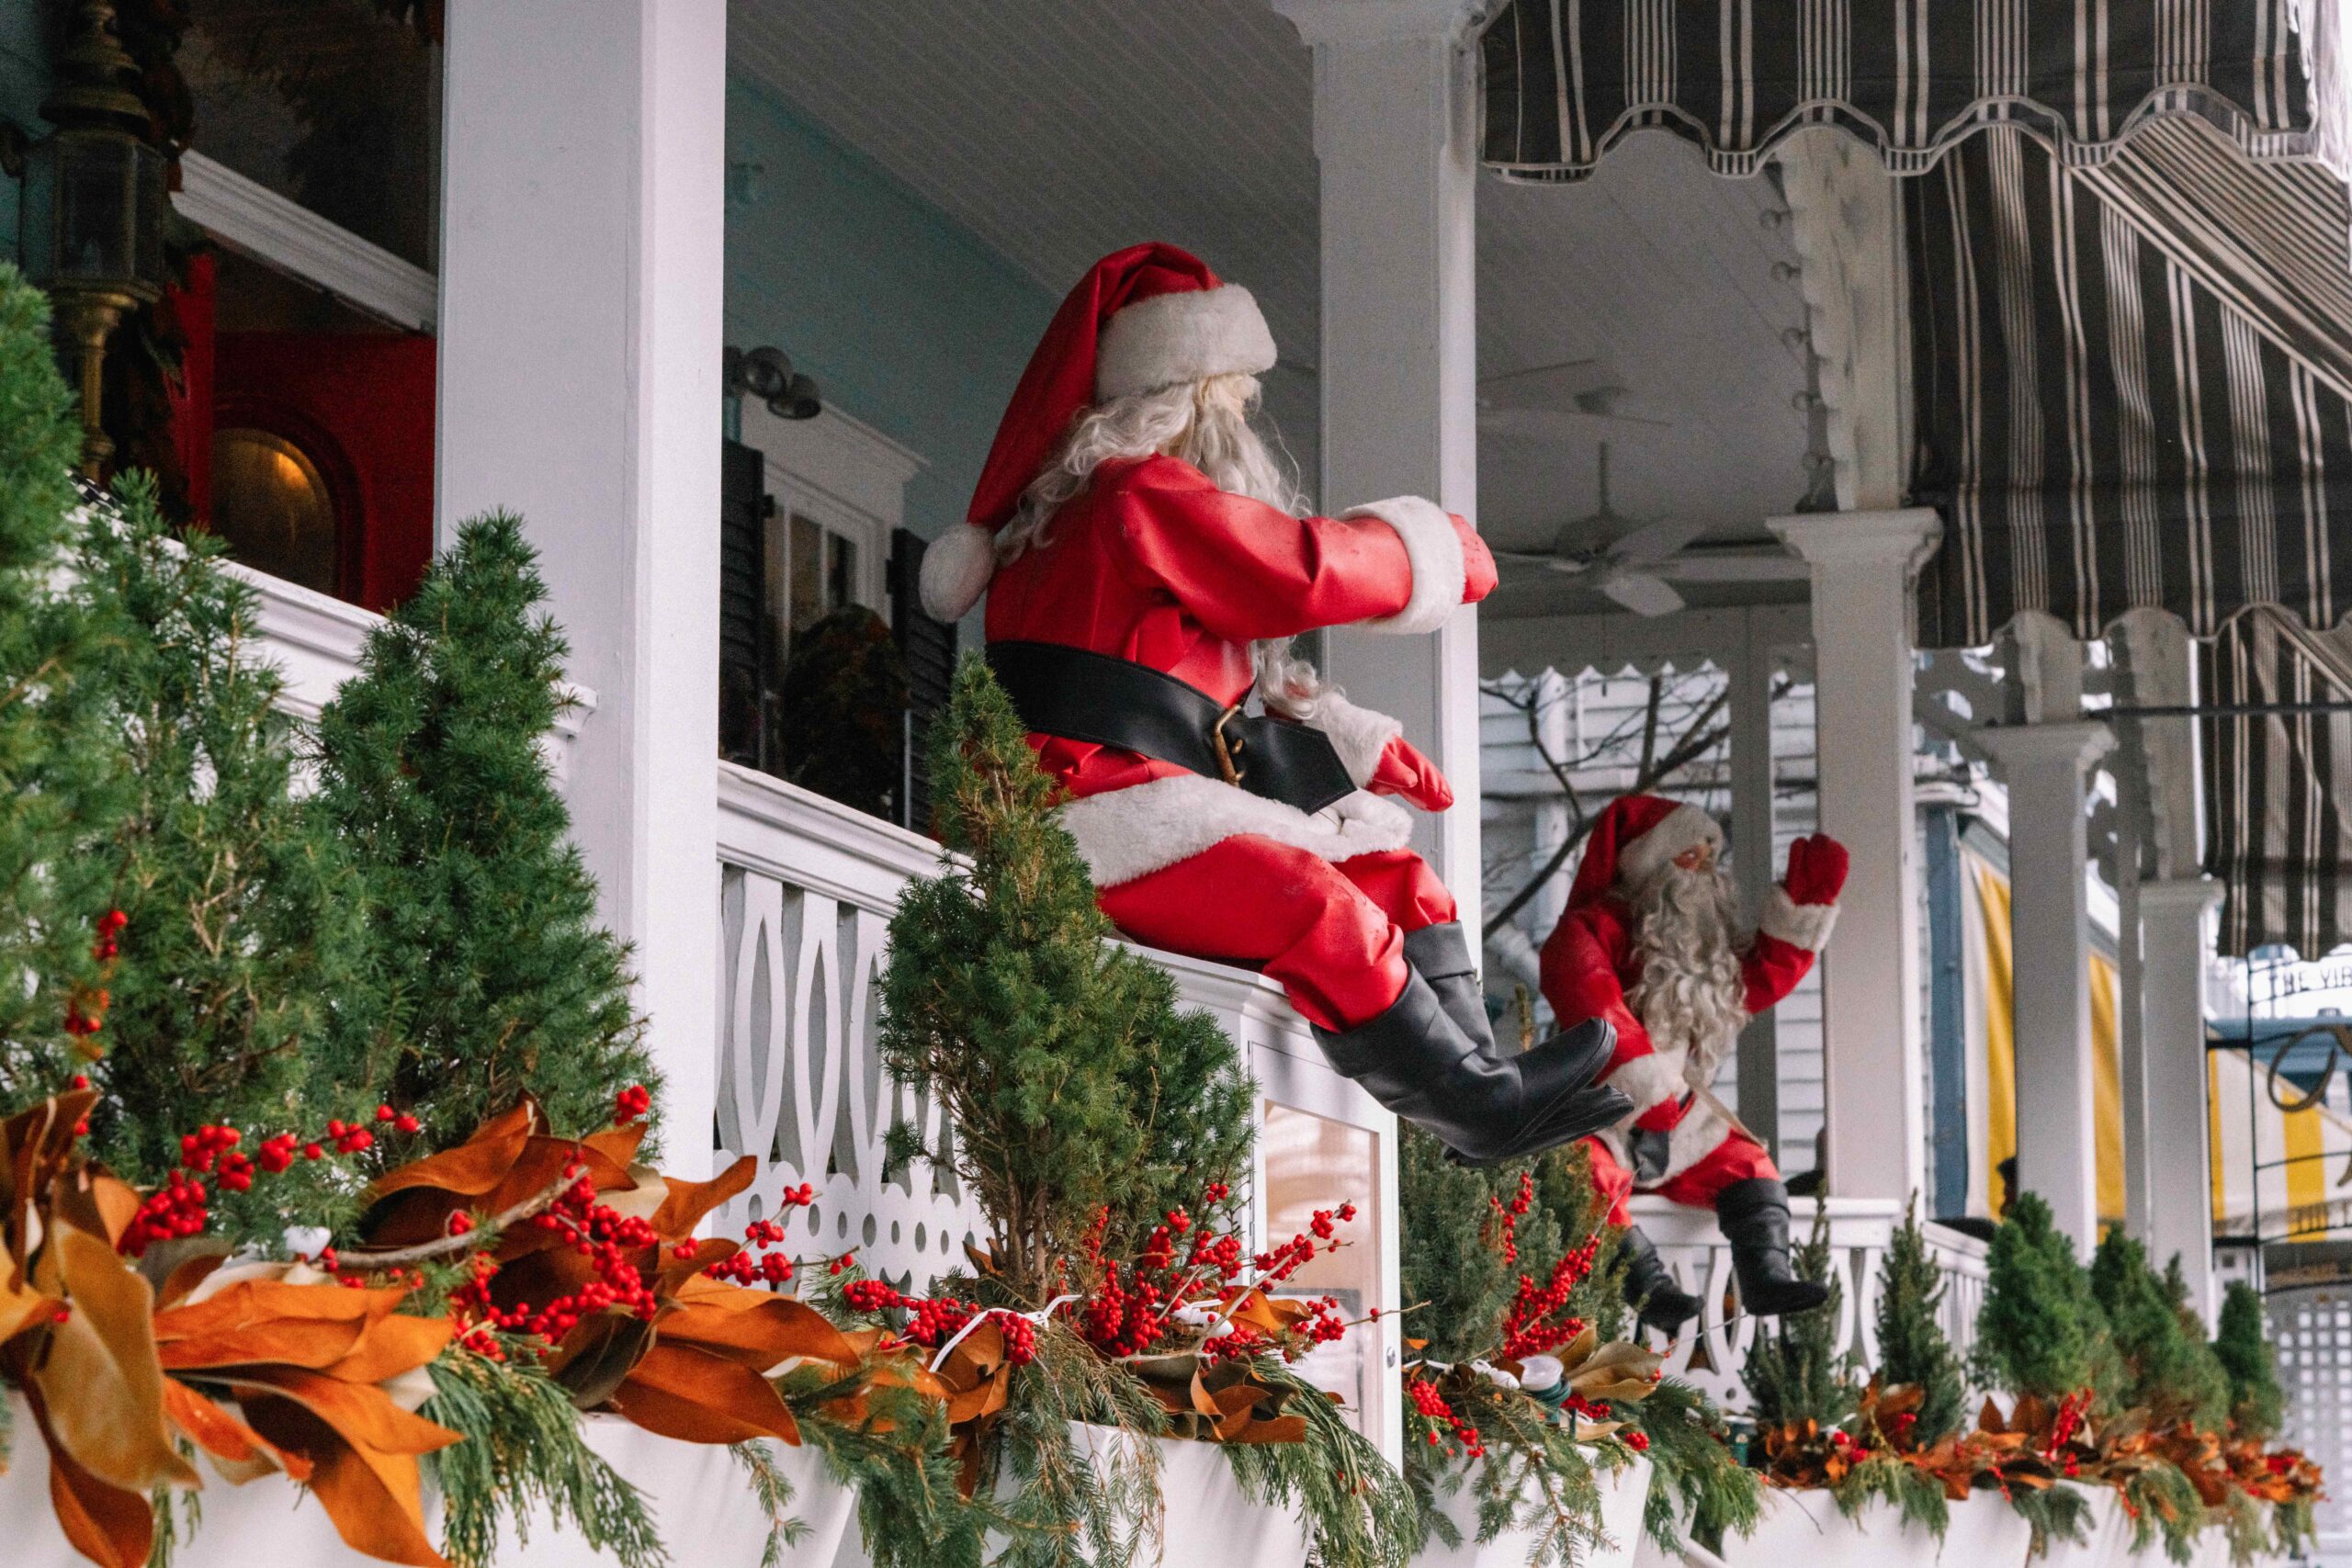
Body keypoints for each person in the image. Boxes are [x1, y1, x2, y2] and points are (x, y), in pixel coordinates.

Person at [922, 242, 1630, 1166]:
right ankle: (1474, 1104)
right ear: (1193, 396)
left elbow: (1195, 697)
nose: (1246, 422)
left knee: (1399, 881)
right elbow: (1295, 570)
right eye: (1236, 399)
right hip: (1092, 814)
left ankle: (1478, 1078)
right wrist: (1435, 552)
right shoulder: (1135, 494)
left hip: (1154, 800)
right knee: (1315, 905)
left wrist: (1345, 741)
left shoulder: (1097, 517)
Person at [1537, 795, 1847, 1331]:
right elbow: (1596, 1009)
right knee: (1585, 1174)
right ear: (1647, 863)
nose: (1702, 869)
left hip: (1676, 1111)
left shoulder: (1696, 945)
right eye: (1689, 856)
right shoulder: (1590, 931)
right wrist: (1649, 1095)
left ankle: (1766, 1275)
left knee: (1748, 1163)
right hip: (1595, 1102)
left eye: (1709, 856)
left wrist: (1798, 916)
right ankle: (1645, 1286)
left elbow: (1747, 984)